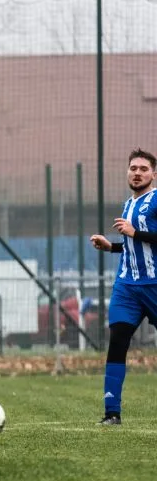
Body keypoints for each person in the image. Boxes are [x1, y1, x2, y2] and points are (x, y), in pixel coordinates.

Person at [90, 148, 157, 426]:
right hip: (127, 286)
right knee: (117, 341)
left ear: (153, 174)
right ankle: (111, 413)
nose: (137, 173)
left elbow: (141, 237)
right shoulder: (128, 204)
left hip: (154, 284)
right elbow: (135, 246)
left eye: (143, 168)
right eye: (133, 168)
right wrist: (112, 247)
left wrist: (134, 232)